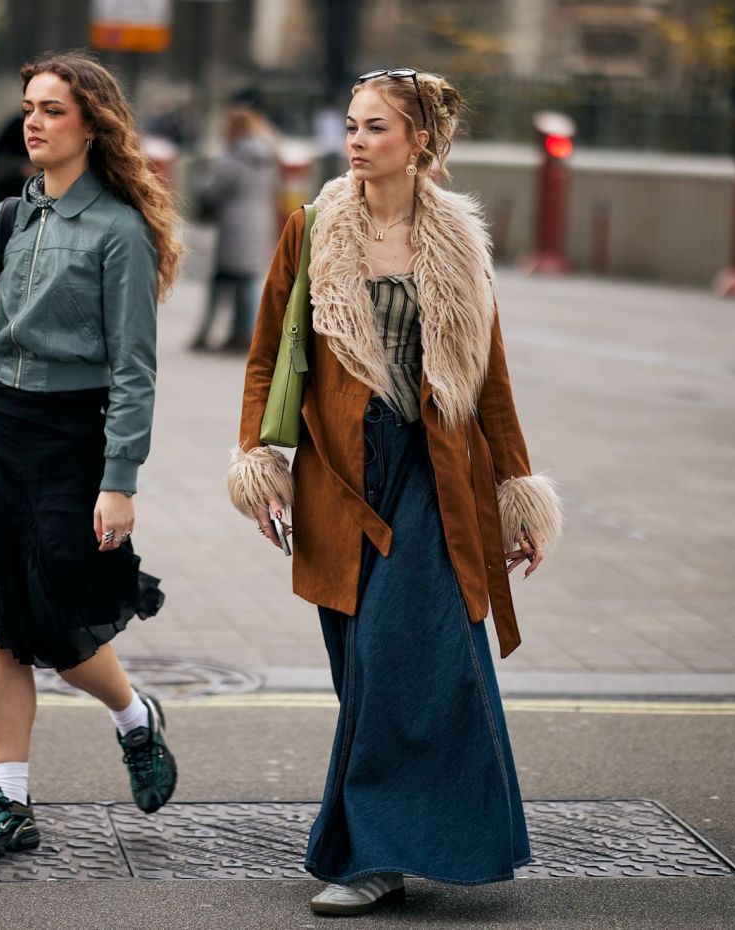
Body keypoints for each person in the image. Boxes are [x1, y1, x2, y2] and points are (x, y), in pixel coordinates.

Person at [227, 68, 563, 916]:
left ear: (419, 142)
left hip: (434, 470)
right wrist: (258, 459)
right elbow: (267, 354)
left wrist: (517, 488)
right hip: (340, 474)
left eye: (375, 127)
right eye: (350, 125)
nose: (355, 140)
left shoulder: (454, 241)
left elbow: (489, 381)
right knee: (362, 665)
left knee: (402, 653)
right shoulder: (310, 229)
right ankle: (400, 840)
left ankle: (370, 857)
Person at [0, 50, 183, 862]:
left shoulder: (119, 232)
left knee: (62, 612)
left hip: (73, 433)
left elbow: (135, 371)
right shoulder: (6, 220)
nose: (33, 121)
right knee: (2, 618)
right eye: (30, 106)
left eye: (53, 109)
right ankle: (11, 801)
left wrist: (119, 481)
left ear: (92, 125)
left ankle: (135, 718)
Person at [190, 103, 281, 353]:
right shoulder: (267, 157)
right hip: (260, 223)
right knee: (248, 282)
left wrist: (204, 175)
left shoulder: (234, 158)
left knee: (222, 282)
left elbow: (211, 190)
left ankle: (207, 333)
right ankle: (245, 334)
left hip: (234, 227)